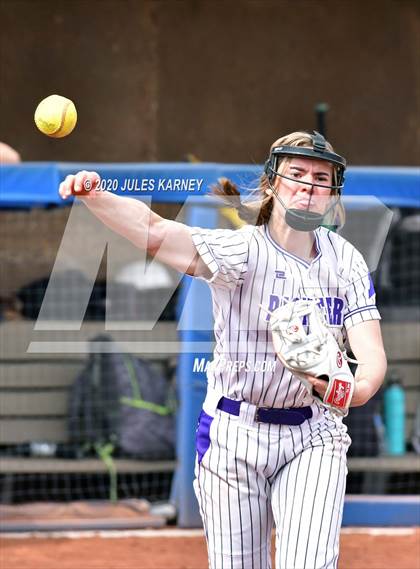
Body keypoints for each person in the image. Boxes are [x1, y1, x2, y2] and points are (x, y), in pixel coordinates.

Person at [59, 130, 387, 568]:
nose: (309, 185)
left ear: (332, 195)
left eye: (321, 178)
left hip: (314, 431)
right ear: (272, 183)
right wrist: (96, 196)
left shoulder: (345, 261)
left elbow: (371, 360)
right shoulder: (242, 252)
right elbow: (155, 231)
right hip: (235, 431)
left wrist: (348, 391)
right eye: (297, 173)